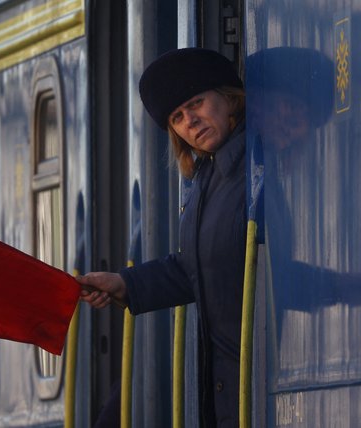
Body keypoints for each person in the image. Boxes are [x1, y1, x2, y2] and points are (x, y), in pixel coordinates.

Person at [79, 47, 254, 428]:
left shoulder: (249, 170)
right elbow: (195, 268)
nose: (191, 120)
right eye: (177, 117)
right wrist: (124, 284)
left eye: (197, 103)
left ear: (228, 99)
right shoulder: (209, 178)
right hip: (230, 393)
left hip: (250, 386)